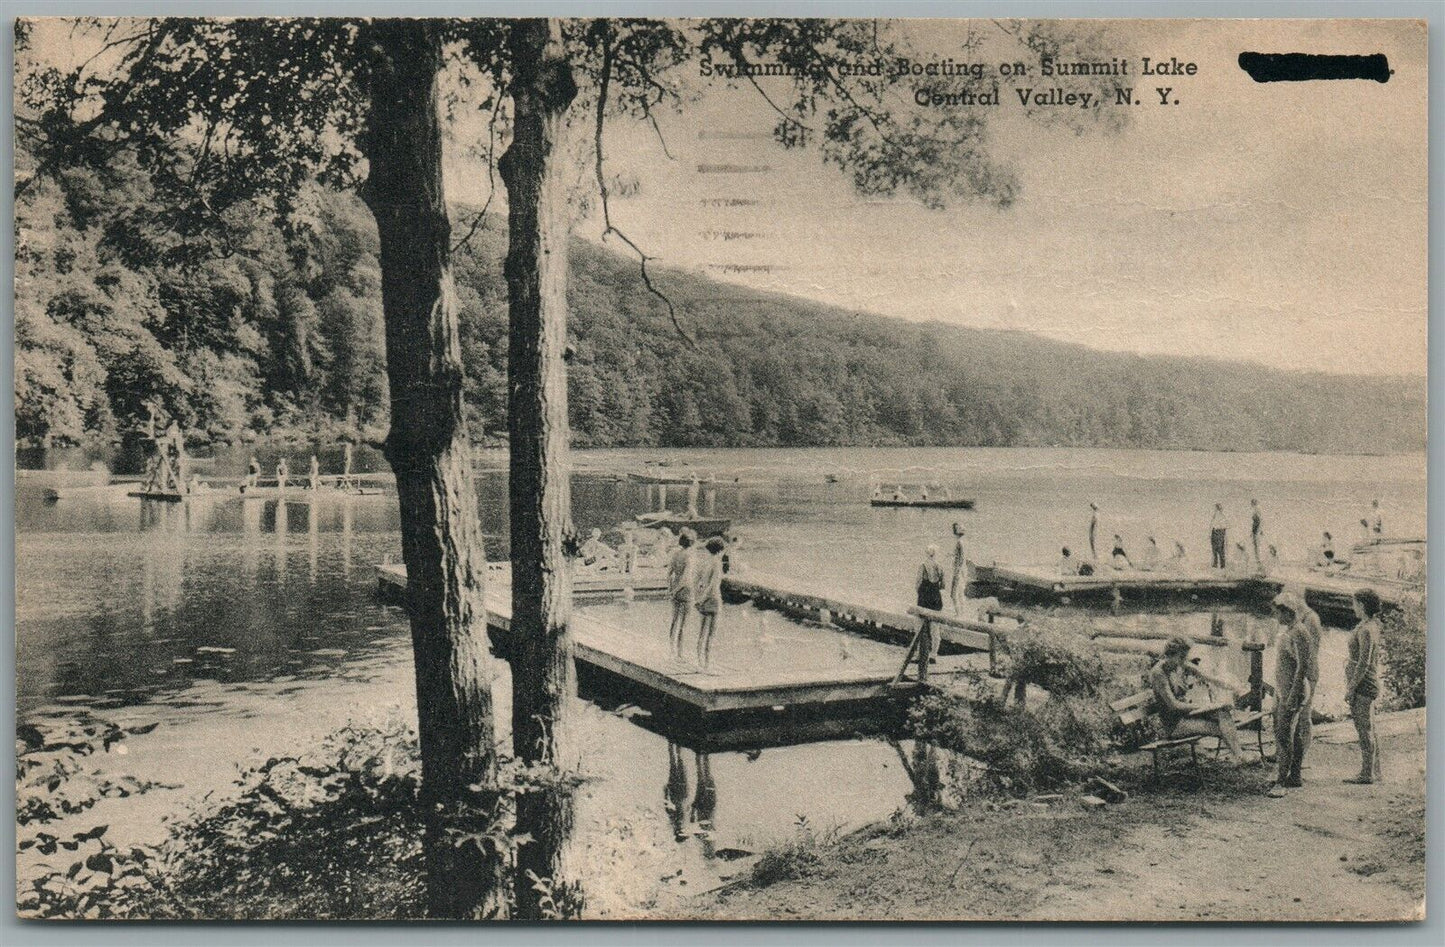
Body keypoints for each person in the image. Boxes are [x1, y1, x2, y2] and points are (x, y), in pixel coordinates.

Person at [1147, 636, 1247, 766]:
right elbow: (1173, 705)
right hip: (1174, 724)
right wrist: (1206, 706)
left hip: (1186, 716)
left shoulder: (1179, 664)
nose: (1184, 661)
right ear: (1169, 654)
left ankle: (1239, 757)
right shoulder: (1158, 674)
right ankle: (1240, 757)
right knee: (1221, 725)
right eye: (1181, 656)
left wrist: (1234, 687)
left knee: (1223, 712)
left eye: (1185, 656)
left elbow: (1209, 678)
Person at [1269, 591, 1321, 795]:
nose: (1276, 617)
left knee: (1283, 735)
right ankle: (1295, 775)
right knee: (1295, 734)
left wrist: (1292, 693)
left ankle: (1281, 782)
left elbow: (1302, 666)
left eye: (1277, 613)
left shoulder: (1299, 632)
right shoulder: (1292, 630)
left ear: (1287, 612)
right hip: (1287, 688)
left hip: (1294, 690)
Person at [1343, 589, 1384, 785]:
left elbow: (1364, 663)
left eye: (1355, 603)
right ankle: (1375, 770)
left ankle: (1367, 773)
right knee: (1368, 727)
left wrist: (1351, 687)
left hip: (1363, 683)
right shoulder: (1369, 625)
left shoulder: (1367, 629)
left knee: (1364, 728)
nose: (1353, 607)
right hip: (1363, 682)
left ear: (1362, 605)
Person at [694, 537, 726, 669]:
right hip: (714, 600)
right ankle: (707, 664)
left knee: (702, 634)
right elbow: (713, 586)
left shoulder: (706, 563)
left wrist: (699, 599)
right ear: (720, 551)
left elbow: (699, 583)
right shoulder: (718, 564)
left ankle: (699, 662)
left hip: (704, 600)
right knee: (711, 636)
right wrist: (703, 599)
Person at [666, 529, 696, 659]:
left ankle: (671, 650)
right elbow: (685, 578)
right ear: (692, 543)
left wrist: (671, 589)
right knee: (684, 624)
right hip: (686, 590)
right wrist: (677, 589)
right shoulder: (690, 556)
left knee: (674, 621)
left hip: (675, 589)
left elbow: (669, 574)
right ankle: (680, 654)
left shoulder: (676, 554)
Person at [915, 545, 946, 612]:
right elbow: (943, 583)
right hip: (935, 593)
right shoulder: (939, 566)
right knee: (936, 611)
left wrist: (918, 590)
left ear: (927, 554)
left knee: (922, 613)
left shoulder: (923, 565)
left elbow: (918, 580)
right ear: (935, 554)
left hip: (925, 593)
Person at [949, 523, 967, 614]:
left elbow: (961, 557)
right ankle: (961, 613)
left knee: (954, 594)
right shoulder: (961, 541)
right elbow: (961, 557)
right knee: (960, 594)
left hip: (958, 571)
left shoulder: (959, 542)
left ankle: (958, 613)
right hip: (961, 571)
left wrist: (957, 570)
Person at [1209, 503, 1227, 569]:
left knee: (1216, 550)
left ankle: (1216, 565)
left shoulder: (1217, 515)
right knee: (1220, 550)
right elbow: (1225, 527)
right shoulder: (1222, 516)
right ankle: (1221, 565)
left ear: (1216, 508)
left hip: (1217, 533)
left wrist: (1213, 533)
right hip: (1220, 533)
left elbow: (1213, 525)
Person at [1250, 499, 1263, 569]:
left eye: (1251, 503)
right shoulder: (1256, 509)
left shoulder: (1256, 509)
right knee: (1256, 547)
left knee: (1256, 547)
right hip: (1256, 529)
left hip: (1256, 529)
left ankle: (1259, 565)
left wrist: (1258, 530)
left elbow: (1258, 520)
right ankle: (1258, 564)